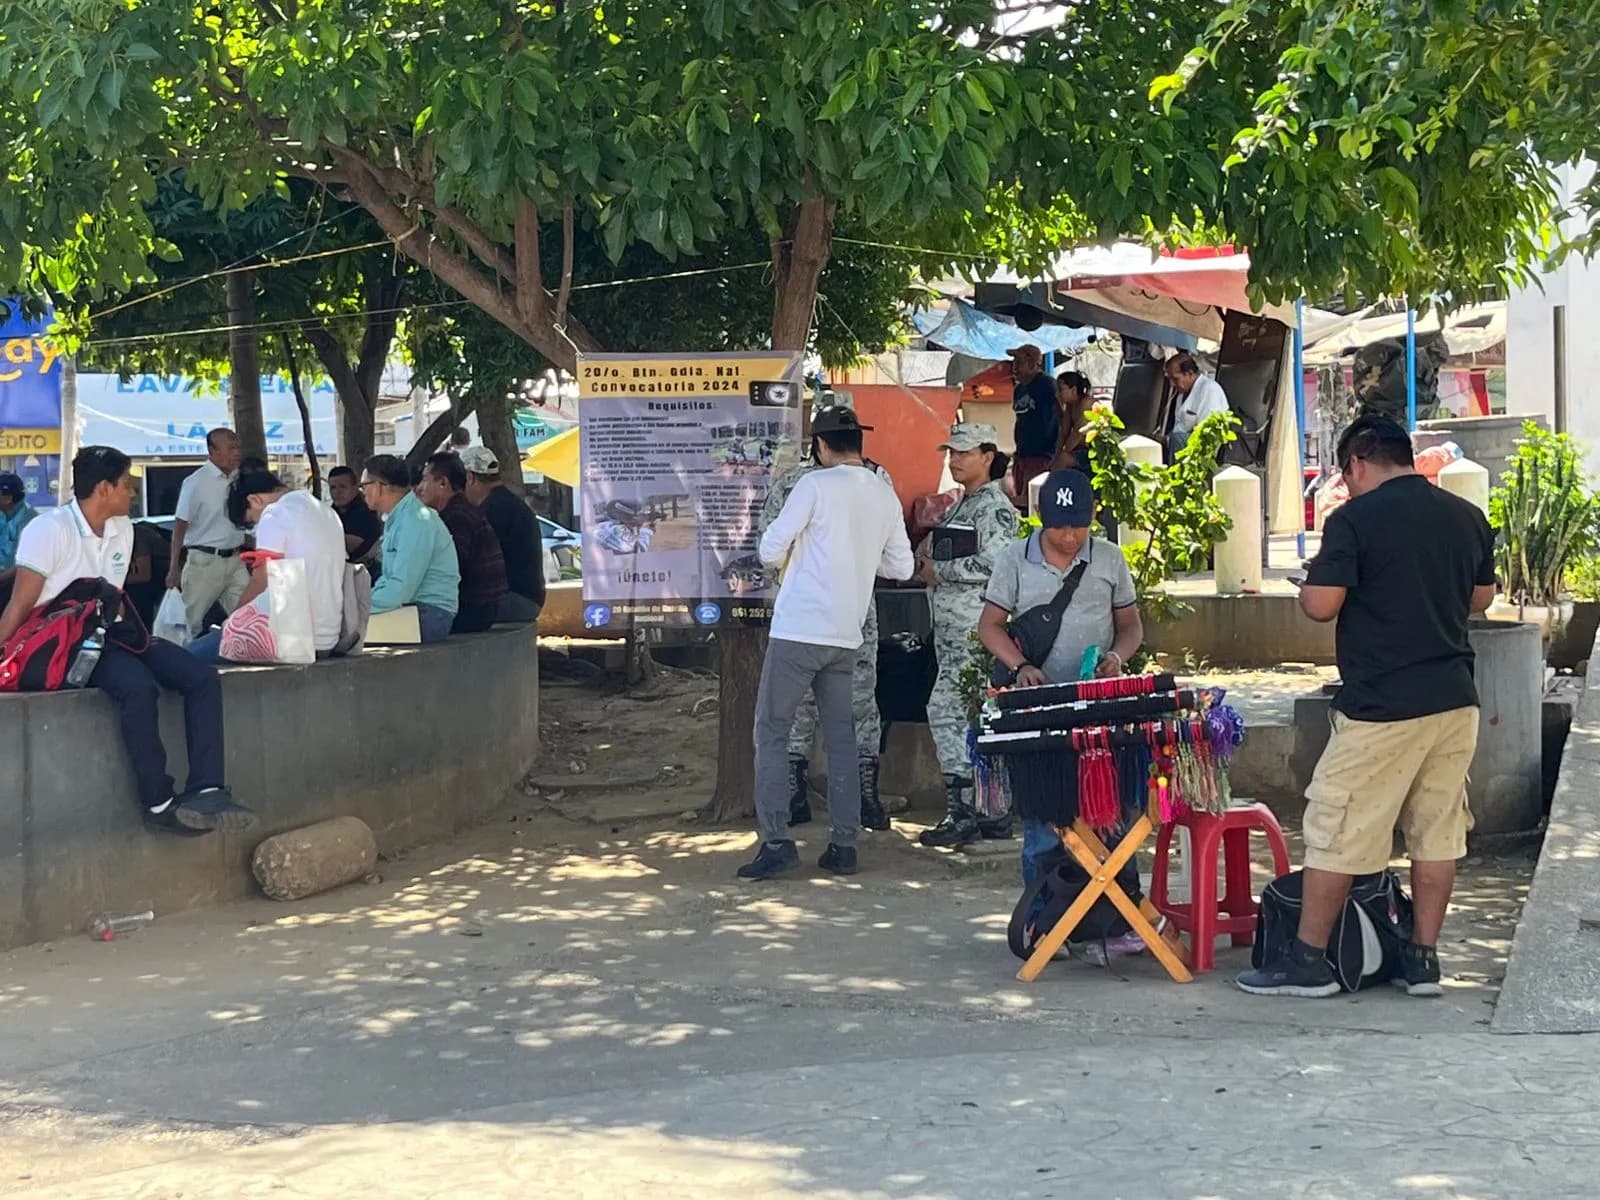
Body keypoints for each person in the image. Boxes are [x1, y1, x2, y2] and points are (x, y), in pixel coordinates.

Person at [1238, 415, 1496, 999]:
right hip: (1455, 699)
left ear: (1356, 464)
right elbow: (1481, 596)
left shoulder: (1353, 520)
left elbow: (1322, 605)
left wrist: (1315, 584)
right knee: (1437, 830)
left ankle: (1306, 960)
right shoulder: (1464, 515)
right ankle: (1423, 959)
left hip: (1383, 704)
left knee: (1338, 826)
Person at [0, 446, 256, 835]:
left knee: (199, 676)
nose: (133, 493)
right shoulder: (50, 529)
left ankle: (207, 788)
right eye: (126, 485)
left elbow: (115, 595)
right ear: (104, 488)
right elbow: (21, 604)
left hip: (111, 630)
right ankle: (159, 803)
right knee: (136, 685)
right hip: (62, 641)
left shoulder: (123, 528)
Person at [739, 406, 915, 881]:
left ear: (819, 446)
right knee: (842, 738)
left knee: (772, 730)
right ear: (860, 443)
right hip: (847, 634)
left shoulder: (813, 485)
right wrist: (857, 558)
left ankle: (776, 841)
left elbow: (770, 550)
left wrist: (804, 555)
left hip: (798, 630)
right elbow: (902, 568)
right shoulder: (882, 492)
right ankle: (843, 845)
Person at [978, 469, 1144, 884]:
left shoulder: (1109, 557)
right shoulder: (1014, 559)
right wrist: (1021, 667)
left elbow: (1131, 626)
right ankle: (1045, 919)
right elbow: (990, 625)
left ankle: (1119, 916)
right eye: (1059, 528)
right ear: (1040, 519)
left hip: (1098, 702)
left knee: (1111, 810)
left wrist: (1116, 658)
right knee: (1044, 820)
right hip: (1041, 705)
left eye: (1078, 527)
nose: (1070, 537)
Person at [757, 415, 897, 831]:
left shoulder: (876, 479)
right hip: (830, 613)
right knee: (800, 712)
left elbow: (769, 549)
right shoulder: (795, 482)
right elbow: (769, 539)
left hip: (851, 616)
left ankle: (864, 793)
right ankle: (796, 792)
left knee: (858, 704)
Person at [918, 423, 1021, 848]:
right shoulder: (965, 505)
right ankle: (989, 810)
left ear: (987, 456)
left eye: (963, 452)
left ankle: (964, 810)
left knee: (945, 711)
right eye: (951, 452)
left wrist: (938, 572)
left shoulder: (994, 507)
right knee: (974, 718)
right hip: (953, 635)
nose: (953, 459)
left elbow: (995, 565)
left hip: (973, 633)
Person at [187, 471, 348, 663]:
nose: (255, 528)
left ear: (254, 500)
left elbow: (261, 580)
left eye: (252, 521)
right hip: (328, 639)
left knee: (183, 659)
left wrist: (230, 623)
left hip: (290, 639)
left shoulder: (275, 513)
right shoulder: (325, 511)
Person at [361, 454, 461, 643]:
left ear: (379, 486)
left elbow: (400, 589)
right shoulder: (399, 517)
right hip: (412, 609)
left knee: (347, 633)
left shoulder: (415, 521)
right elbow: (390, 582)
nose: (362, 492)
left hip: (429, 614)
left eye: (364, 486)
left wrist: (358, 608)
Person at [167, 428, 248, 636]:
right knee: (189, 622)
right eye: (230, 448)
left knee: (248, 615)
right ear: (212, 451)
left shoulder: (239, 479)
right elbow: (180, 525)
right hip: (204, 561)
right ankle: (178, 664)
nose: (236, 452)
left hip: (236, 559)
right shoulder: (195, 482)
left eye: (237, 446)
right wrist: (174, 567)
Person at [420, 452, 509, 634]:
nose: (421, 488)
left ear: (443, 483)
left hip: (474, 609)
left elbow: (452, 569)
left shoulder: (456, 517)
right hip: (484, 607)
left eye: (425, 479)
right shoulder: (462, 510)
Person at [460, 446, 545, 623]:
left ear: (470, 478)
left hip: (516, 601)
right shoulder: (509, 503)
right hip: (528, 598)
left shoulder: (491, 510)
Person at [1007, 345, 1059, 512]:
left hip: (1042, 455)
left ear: (1033, 364)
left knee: (1034, 502)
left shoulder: (1047, 385)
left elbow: (1058, 419)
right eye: (1014, 362)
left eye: (1019, 362)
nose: (1014, 367)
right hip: (1022, 454)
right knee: (1021, 502)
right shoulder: (1019, 389)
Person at [1164, 353, 1232, 458]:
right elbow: (1179, 427)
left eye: (1175, 379)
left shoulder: (1209, 389)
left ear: (1190, 374)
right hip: (1185, 441)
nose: (1172, 384)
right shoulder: (1181, 396)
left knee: (1177, 439)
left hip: (1205, 448)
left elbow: (1206, 432)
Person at [328, 465, 383, 568]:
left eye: (343, 486)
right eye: (333, 487)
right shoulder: (331, 511)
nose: (337, 492)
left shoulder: (365, 510)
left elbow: (349, 545)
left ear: (355, 488)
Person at [1051, 372, 1094, 470]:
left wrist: (1063, 454)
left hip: (1093, 452)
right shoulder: (1070, 405)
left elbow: (1078, 433)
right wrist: (1056, 456)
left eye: (1061, 390)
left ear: (1073, 390)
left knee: (1063, 460)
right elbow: (1064, 432)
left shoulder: (1087, 403)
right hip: (1079, 449)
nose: (1058, 394)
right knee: (1058, 460)